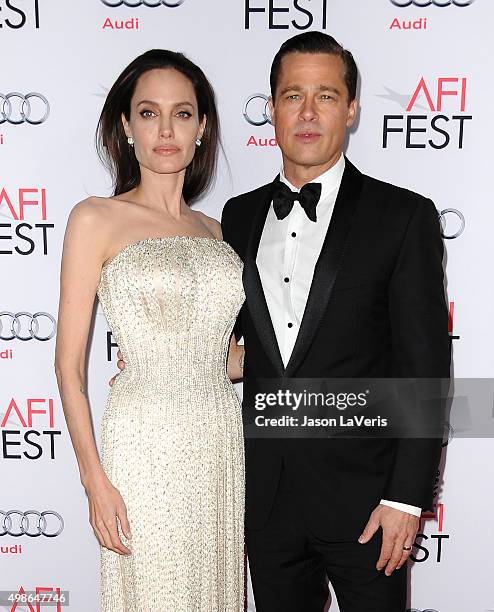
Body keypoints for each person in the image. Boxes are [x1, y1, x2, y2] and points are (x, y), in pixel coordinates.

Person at [220, 32, 450, 611]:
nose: (307, 111)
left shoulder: (402, 216)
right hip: (265, 500)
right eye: (292, 95)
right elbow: (243, 343)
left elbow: (425, 366)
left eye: (325, 95)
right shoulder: (239, 215)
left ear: (350, 109)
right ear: (271, 108)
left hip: (368, 504)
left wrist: (406, 498)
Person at [55, 49, 246, 612]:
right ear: (126, 126)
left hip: (218, 438)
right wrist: (95, 481)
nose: (166, 129)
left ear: (203, 128)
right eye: (148, 112)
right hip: (143, 441)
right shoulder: (96, 218)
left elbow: (223, 358)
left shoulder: (218, 231)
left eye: (182, 114)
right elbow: (69, 367)